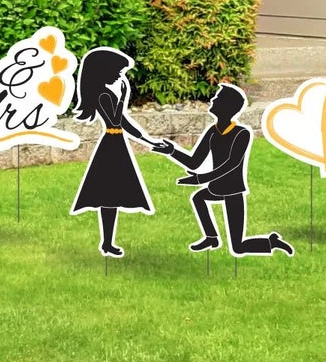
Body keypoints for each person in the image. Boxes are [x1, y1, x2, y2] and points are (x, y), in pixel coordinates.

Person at [161, 83, 293, 257]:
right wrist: (171, 151)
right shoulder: (212, 131)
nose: (213, 100)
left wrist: (201, 179)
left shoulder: (241, 133)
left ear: (227, 107)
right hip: (216, 188)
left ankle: (271, 242)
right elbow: (194, 162)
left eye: (218, 98)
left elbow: (232, 164)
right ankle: (211, 237)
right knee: (199, 198)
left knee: (238, 247)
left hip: (233, 191)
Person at [69, 47, 171, 258]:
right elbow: (117, 120)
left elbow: (123, 122)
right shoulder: (103, 94)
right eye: (118, 71)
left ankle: (108, 242)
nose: (120, 76)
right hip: (111, 145)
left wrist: (148, 141)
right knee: (108, 195)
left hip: (116, 143)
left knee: (111, 197)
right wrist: (123, 97)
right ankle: (107, 242)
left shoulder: (106, 93)